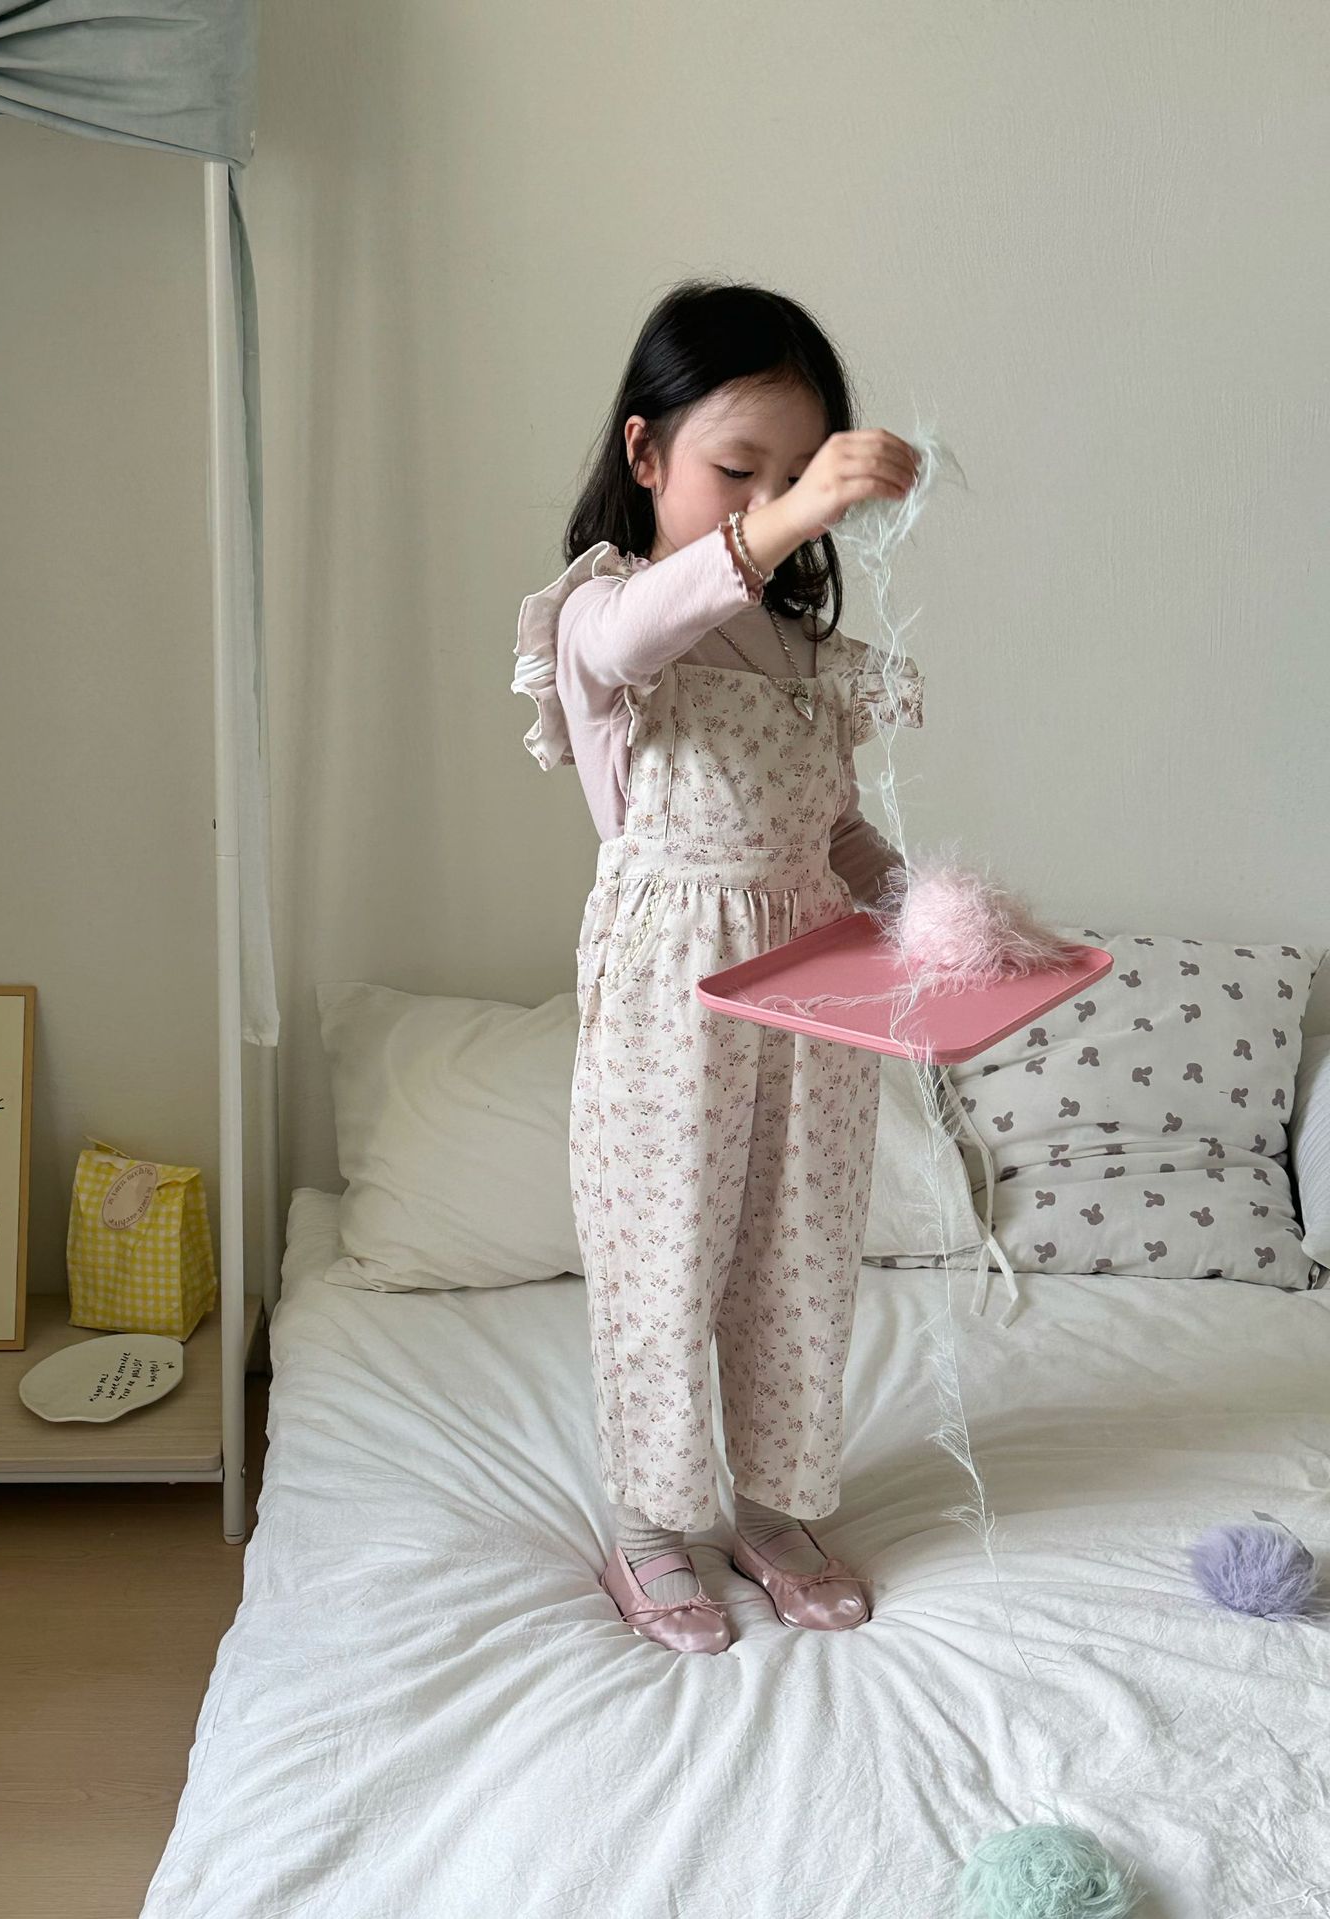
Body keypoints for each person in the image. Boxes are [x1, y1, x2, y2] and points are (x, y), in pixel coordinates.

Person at [513, 280, 925, 1652]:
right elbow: (639, 635)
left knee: (795, 1257)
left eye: (799, 476)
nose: (775, 502)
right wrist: (787, 519)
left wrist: (931, 915)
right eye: (741, 471)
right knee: (664, 1257)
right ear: (645, 453)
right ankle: (649, 1524)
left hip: (810, 985)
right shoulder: (601, 616)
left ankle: (775, 1506)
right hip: (671, 996)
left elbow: (833, 827)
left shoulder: (802, 651)